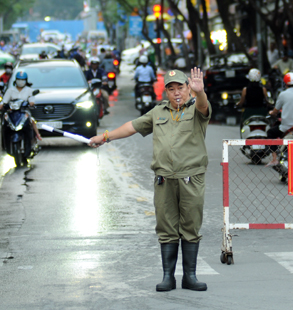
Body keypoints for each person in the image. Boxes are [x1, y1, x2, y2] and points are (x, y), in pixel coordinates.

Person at [88, 68, 211, 292]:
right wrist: (104, 137)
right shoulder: (158, 112)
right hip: (164, 178)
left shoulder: (197, 109)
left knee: (191, 225)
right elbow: (131, 127)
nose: (176, 93)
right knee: (166, 226)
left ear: (188, 88)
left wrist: (200, 92)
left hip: (191, 178)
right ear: (165, 92)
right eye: (171, 89)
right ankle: (168, 277)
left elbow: (203, 106)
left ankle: (190, 277)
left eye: (180, 88)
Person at [266, 72, 293, 166]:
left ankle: (274, 159)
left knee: (271, 133)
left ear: (285, 83)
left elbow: (275, 111)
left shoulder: (282, 95)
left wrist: (271, 113)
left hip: (286, 128)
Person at [0, 71, 42, 152]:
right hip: (12, 113)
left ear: (26, 80)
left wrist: (31, 103)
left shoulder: (29, 90)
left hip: (24, 112)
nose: (20, 81)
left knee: (31, 121)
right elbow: (4, 100)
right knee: (5, 122)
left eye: (22, 80)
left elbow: (32, 100)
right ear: (16, 80)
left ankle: (37, 136)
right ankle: (5, 143)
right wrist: (1, 104)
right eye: (19, 79)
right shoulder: (10, 90)